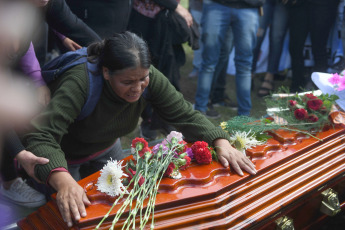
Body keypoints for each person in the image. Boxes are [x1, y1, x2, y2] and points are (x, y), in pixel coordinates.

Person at [22, 31, 257, 227]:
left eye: (142, 79)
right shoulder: (79, 82)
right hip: (65, 157)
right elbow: (42, 135)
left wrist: (221, 142)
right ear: (105, 72)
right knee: (68, 216)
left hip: (107, 147)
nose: (137, 88)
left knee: (116, 211)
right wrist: (63, 182)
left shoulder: (147, 77)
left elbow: (184, 113)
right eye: (127, 82)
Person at [194, 0, 262, 117]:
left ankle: (244, 115)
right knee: (209, 62)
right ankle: (200, 110)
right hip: (217, 5)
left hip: (249, 6)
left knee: (244, 65)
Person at [288, 0, 340, 92]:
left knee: (319, 46)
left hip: (324, 5)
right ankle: (296, 85)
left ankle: (319, 88)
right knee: (295, 46)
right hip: (299, 5)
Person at [252, 0, 289, 97]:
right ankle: (249, 74)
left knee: (277, 38)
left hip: (282, 3)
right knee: (257, 36)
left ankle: (269, 76)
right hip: (263, 2)